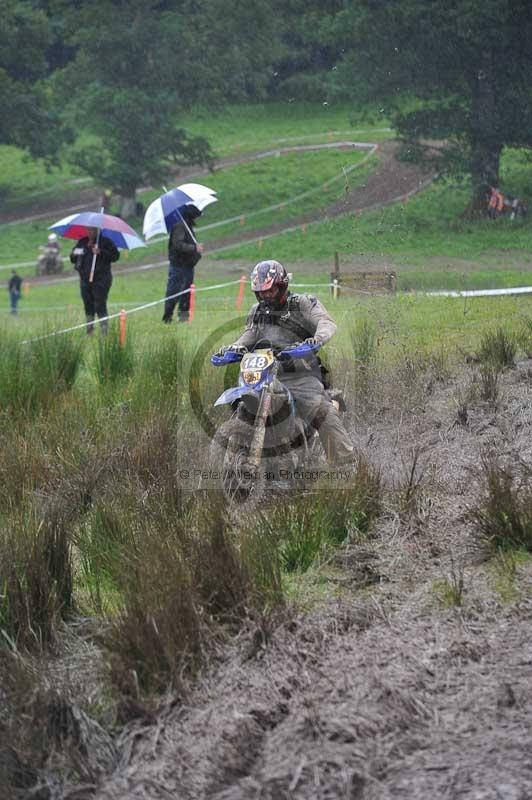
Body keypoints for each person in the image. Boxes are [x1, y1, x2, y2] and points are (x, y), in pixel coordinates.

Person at [218, 259, 355, 464]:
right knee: (242, 406)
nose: (265, 296)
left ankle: (346, 463)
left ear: (282, 286)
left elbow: (326, 323)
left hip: (300, 375)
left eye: (270, 291)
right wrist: (233, 348)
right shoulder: (256, 311)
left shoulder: (302, 303)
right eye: (261, 292)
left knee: (321, 410)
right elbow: (249, 335)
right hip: (264, 374)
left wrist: (315, 341)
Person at [70, 227, 119, 335]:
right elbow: (72, 259)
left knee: (100, 304)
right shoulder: (82, 242)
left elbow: (115, 256)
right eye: (88, 230)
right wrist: (74, 254)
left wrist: (101, 252)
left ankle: (104, 330)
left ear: (98, 230)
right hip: (85, 279)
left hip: (101, 279)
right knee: (88, 304)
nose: (89, 232)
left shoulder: (106, 242)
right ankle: (89, 330)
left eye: (92, 230)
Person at [162, 205, 203, 323]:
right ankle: (167, 317)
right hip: (178, 266)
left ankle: (183, 318)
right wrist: (194, 248)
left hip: (188, 266)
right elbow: (178, 244)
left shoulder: (188, 226)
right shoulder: (180, 226)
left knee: (186, 293)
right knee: (173, 291)